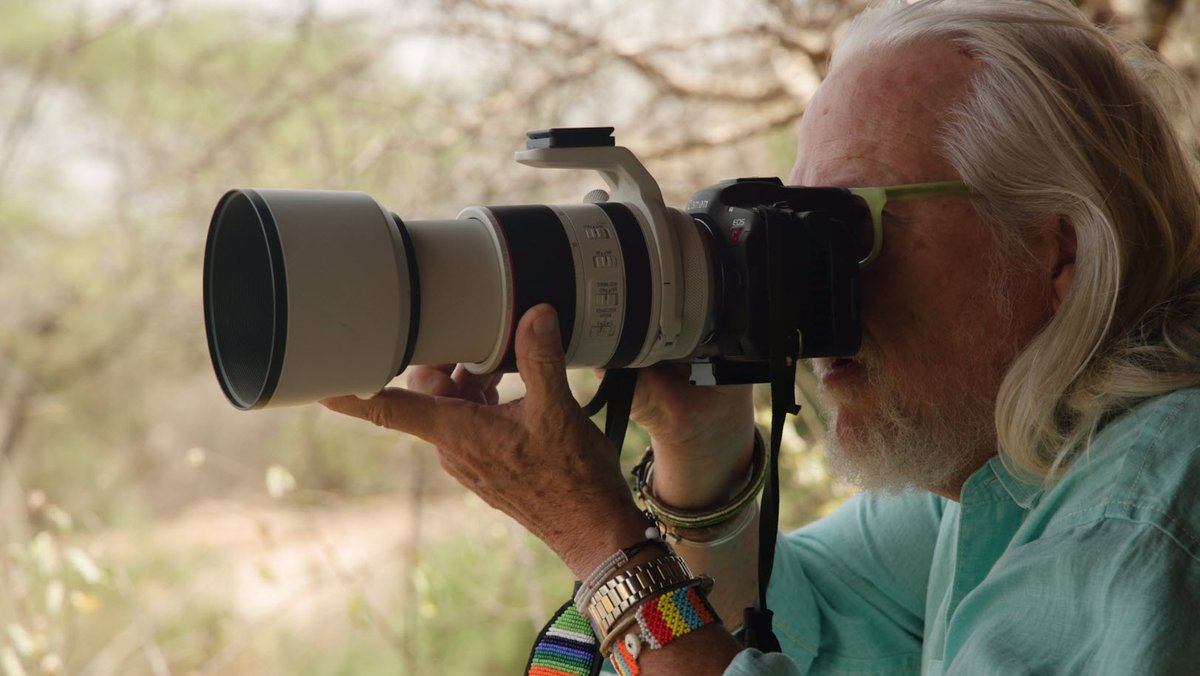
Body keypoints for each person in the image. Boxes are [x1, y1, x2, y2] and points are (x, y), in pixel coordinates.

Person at [322, 0, 1200, 673]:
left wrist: (598, 541)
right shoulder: (1017, 469)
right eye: (791, 217)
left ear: (1058, 251)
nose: (801, 273)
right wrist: (702, 448)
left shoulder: (1139, 520)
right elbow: (785, 622)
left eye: (844, 223)